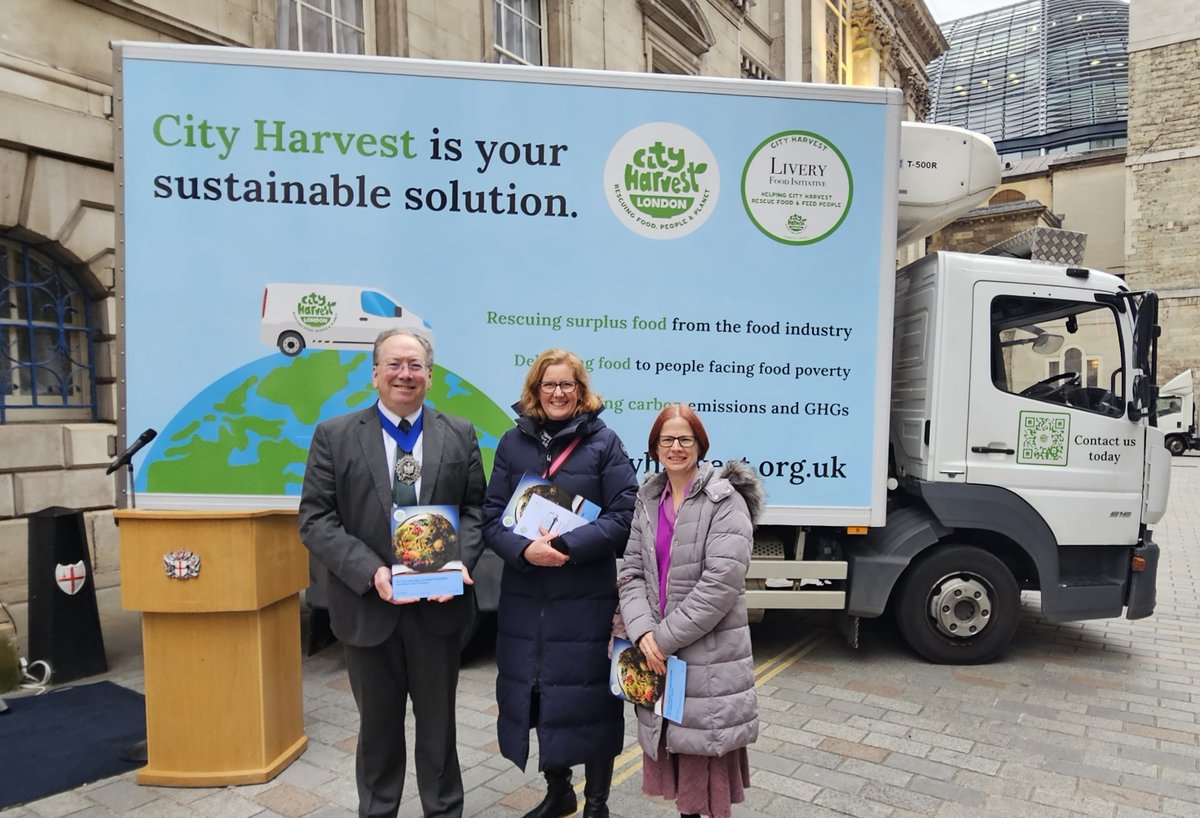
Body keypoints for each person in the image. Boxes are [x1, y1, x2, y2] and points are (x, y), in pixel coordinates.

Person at [299, 328, 485, 818]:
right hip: (369, 610)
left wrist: (457, 560)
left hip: (438, 613)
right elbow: (316, 519)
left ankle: (443, 811)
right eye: (395, 364)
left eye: (416, 365)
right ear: (376, 374)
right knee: (378, 734)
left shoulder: (459, 432)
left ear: (429, 374)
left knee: (439, 733)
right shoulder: (335, 436)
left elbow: (476, 510)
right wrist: (371, 571)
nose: (406, 374)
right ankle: (378, 810)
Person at [482, 348, 638, 818]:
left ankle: (597, 803)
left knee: (591, 699)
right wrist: (525, 550)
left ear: (581, 391)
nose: (558, 393)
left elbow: (624, 516)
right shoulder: (512, 444)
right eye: (549, 384)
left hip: (585, 597)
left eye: (567, 385)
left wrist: (568, 546)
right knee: (539, 693)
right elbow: (491, 519)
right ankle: (559, 792)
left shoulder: (604, 443)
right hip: (527, 598)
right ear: (535, 390)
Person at [618, 403, 761, 818]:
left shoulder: (724, 500)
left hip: (707, 659)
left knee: (705, 775)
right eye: (667, 440)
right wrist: (644, 632)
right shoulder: (647, 498)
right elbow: (631, 572)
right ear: (654, 447)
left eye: (685, 439)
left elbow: (721, 585)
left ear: (700, 445)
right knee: (680, 772)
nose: (676, 447)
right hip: (659, 653)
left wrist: (660, 641)